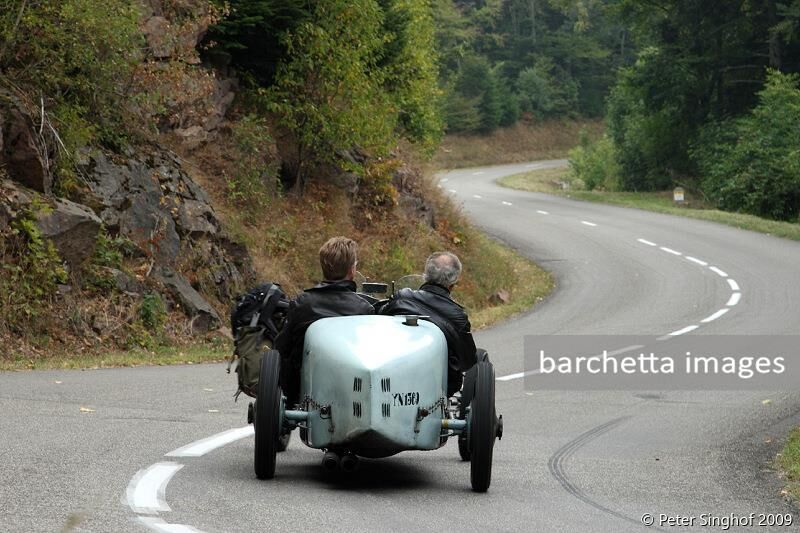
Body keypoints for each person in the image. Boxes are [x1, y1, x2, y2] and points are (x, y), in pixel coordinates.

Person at [274, 236, 375, 405]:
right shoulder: (364, 310)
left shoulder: (301, 304)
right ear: (351, 271)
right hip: (351, 392)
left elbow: (281, 348)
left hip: (305, 391)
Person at [380, 251, 479, 397]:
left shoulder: (402, 297)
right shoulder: (457, 316)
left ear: (426, 274)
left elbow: (379, 320)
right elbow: (468, 361)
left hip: (390, 376)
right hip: (436, 386)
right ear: (454, 281)